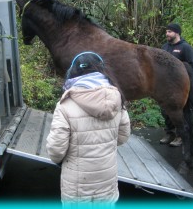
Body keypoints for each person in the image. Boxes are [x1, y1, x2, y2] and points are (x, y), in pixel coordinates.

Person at [46, 51, 131, 205]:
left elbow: (56, 150)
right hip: (107, 180)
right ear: (101, 70)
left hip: (77, 187)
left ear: (74, 71)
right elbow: (123, 136)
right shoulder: (117, 98)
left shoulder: (65, 105)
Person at [160, 23, 193, 147]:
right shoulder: (164, 47)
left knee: (180, 112)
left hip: (179, 87)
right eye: (166, 31)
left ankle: (180, 136)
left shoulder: (185, 48)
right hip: (165, 86)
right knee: (165, 111)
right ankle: (169, 133)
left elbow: (192, 66)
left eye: (170, 32)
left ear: (177, 33)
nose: (167, 34)